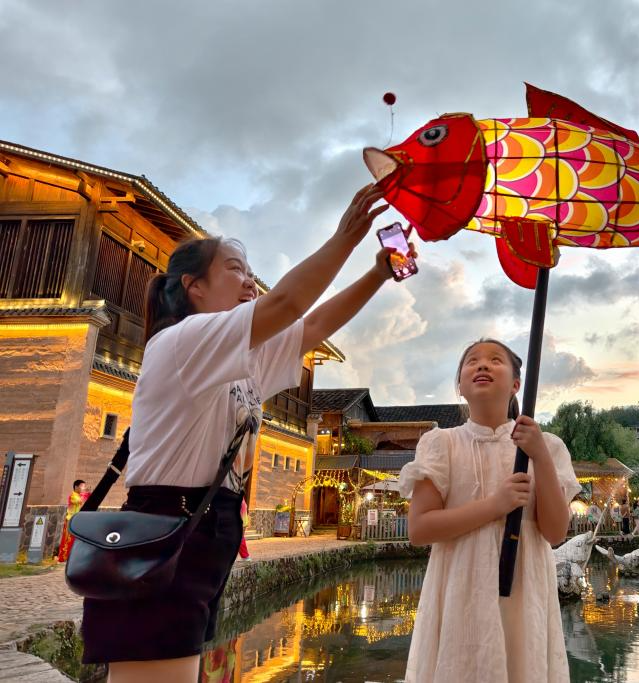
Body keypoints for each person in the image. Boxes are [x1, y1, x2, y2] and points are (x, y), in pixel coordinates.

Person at [81, 184, 398, 682]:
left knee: (175, 668)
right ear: (194, 286)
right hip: (168, 523)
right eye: (235, 269)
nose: (250, 281)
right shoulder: (183, 340)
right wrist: (346, 237)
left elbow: (312, 325)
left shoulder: (241, 359)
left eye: (251, 272)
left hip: (206, 527)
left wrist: (378, 273)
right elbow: (288, 302)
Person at [399, 339, 581, 682]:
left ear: (516, 384)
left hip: (525, 590)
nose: (482, 365)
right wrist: (496, 505)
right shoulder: (442, 444)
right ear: (460, 385)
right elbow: (420, 529)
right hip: (461, 589)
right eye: (472, 361)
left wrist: (540, 456)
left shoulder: (547, 446)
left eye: (495, 360)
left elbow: (555, 532)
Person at [56, 479, 89, 562]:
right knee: (68, 539)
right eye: (82, 486)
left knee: (74, 539)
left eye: (84, 486)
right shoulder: (73, 496)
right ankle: (63, 557)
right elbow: (80, 501)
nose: (83, 488)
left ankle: (71, 557)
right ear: (76, 487)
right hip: (70, 520)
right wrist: (87, 494)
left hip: (76, 520)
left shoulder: (79, 495)